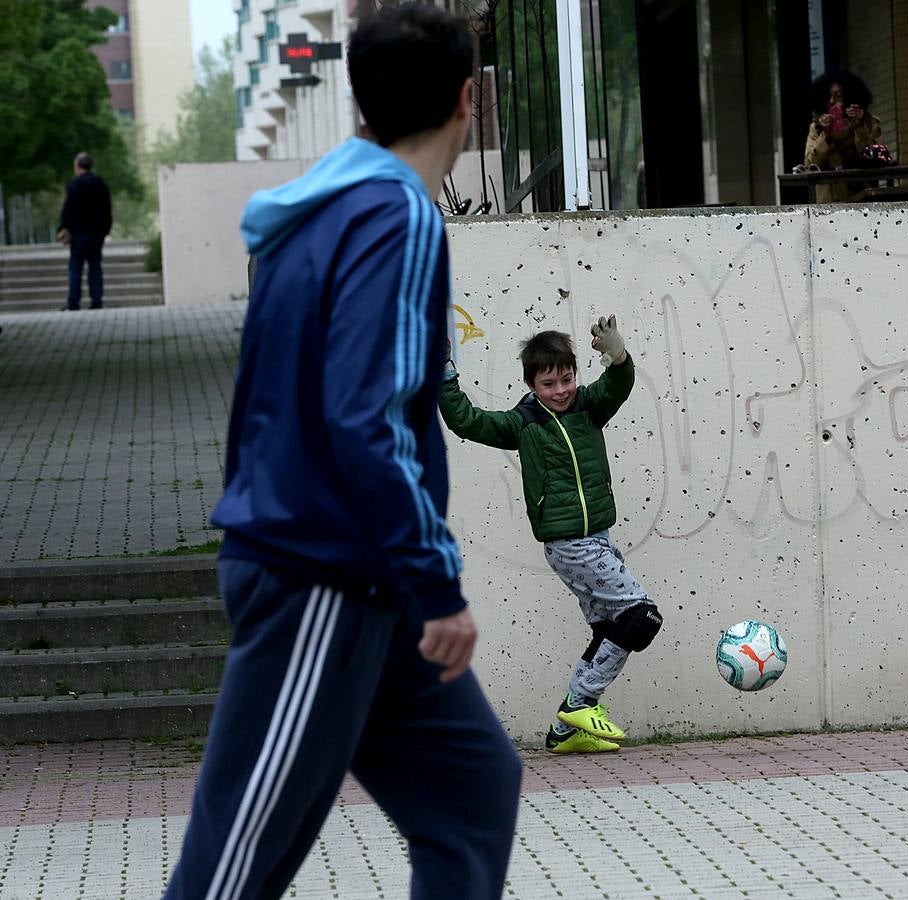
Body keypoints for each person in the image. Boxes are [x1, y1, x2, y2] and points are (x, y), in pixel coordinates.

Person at [163, 6, 522, 899]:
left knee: (474, 790)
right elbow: (366, 417)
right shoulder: (395, 217)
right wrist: (434, 582)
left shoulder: (315, 211)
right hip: (322, 574)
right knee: (232, 867)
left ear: (357, 100)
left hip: (357, 572)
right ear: (466, 99)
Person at [439, 318, 664, 754]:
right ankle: (580, 706)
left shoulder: (588, 407)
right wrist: (445, 373)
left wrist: (617, 356)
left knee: (609, 629)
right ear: (531, 384)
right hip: (568, 543)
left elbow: (619, 383)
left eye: (566, 379)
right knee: (641, 617)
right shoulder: (523, 424)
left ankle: (567, 728)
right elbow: (467, 421)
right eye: (549, 383)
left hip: (598, 537)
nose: (560, 390)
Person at [802, 70, 882, 203]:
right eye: (828, 97)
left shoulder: (869, 122)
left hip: (861, 197)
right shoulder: (817, 128)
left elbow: (877, 156)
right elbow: (810, 163)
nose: (832, 101)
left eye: (838, 96)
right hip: (829, 200)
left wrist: (860, 125)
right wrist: (826, 135)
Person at [57, 152, 112, 310]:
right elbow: (107, 208)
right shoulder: (100, 184)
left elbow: (68, 208)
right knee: (95, 265)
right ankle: (96, 300)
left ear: (77, 166)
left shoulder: (74, 185)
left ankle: (74, 302)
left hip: (79, 232)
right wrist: (106, 228)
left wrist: (62, 226)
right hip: (97, 232)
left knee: (76, 266)